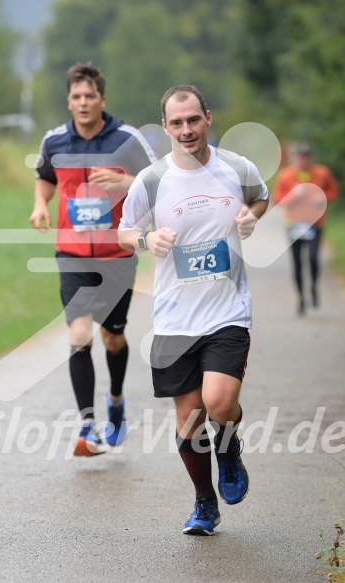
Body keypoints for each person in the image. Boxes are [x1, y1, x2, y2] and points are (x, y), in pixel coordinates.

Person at [118, 85, 268, 535]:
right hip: (174, 318)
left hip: (228, 310)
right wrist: (148, 240)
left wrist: (252, 215)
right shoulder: (151, 180)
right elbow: (125, 231)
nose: (186, 130)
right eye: (176, 123)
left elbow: (260, 195)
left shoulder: (237, 168)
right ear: (165, 127)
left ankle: (230, 448)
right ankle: (205, 503)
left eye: (193, 120)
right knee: (189, 421)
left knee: (218, 404)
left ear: (208, 118)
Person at [30, 62, 156, 456]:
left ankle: (115, 401)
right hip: (71, 252)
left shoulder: (127, 138)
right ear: (69, 101)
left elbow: (159, 181)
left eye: (90, 96)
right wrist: (40, 205)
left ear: (102, 99)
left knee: (112, 337)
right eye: (76, 97)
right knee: (80, 334)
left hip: (116, 253)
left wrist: (123, 182)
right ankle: (88, 426)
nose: (83, 103)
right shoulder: (54, 140)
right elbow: (45, 177)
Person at [272, 143, 338, 315]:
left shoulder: (322, 173)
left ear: (311, 157)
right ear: (295, 158)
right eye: (300, 157)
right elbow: (277, 199)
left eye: (306, 156)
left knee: (313, 259)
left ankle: (314, 288)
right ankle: (301, 299)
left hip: (315, 224)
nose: (303, 160)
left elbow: (333, 191)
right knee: (298, 263)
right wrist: (293, 196)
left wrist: (322, 197)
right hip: (293, 224)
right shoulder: (286, 175)